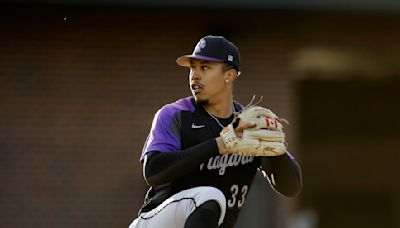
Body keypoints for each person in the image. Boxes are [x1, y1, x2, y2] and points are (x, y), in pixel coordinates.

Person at [129, 35, 302, 228]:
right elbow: (153, 172)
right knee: (209, 196)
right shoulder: (176, 115)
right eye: (192, 67)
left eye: (204, 68)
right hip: (157, 221)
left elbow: (292, 187)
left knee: (213, 201)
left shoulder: (248, 124)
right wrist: (219, 144)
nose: (195, 75)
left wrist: (277, 154)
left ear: (229, 75)